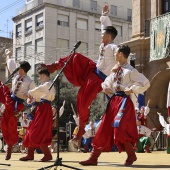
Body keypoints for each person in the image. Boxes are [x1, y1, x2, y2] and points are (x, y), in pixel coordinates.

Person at [41, 4, 118, 140]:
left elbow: (121, 57)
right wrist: (105, 16)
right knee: (75, 57)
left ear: (107, 36)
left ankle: (81, 129)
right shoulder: (105, 43)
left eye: (102, 35)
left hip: (99, 79)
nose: (100, 36)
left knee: (82, 101)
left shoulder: (113, 47)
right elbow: (105, 28)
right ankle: (53, 66)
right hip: (92, 69)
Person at [79, 44, 150, 166]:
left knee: (120, 128)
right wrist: (105, 87)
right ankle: (93, 157)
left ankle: (131, 155)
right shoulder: (116, 69)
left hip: (124, 102)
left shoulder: (130, 71)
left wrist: (132, 89)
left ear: (121, 54)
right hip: (113, 101)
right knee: (103, 127)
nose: (114, 55)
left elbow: (146, 83)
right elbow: (107, 81)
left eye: (116, 53)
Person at [0, 57, 35, 160]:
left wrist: (28, 95)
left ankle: (9, 148)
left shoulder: (30, 81)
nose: (17, 69)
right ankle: (9, 145)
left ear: (22, 69)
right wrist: (8, 56)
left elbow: (33, 94)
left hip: (17, 104)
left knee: (11, 125)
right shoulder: (15, 76)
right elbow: (11, 65)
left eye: (19, 67)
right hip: (9, 100)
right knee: (4, 124)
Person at [19, 68, 55, 162]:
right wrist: (31, 98)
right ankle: (30, 154)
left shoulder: (48, 84)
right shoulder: (45, 85)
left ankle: (47, 155)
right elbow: (37, 97)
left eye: (40, 76)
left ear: (43, 75)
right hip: (41, 109)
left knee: (38, 132)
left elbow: (36, 91)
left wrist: (28, 93)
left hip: (44, 110)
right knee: (31, 130)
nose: (39, 78)